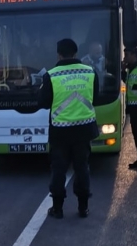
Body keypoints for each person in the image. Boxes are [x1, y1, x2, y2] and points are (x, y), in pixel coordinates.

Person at [39, 38, 100, 219]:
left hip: (60, 131)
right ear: (76, 53)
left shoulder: (51, 75)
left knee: (59, 170)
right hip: (84, 130)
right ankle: (83, 208)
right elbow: (94, 98)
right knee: (82, 168)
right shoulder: (91, 72)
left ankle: (57, 209)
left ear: (59, 54)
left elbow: (42, 102)